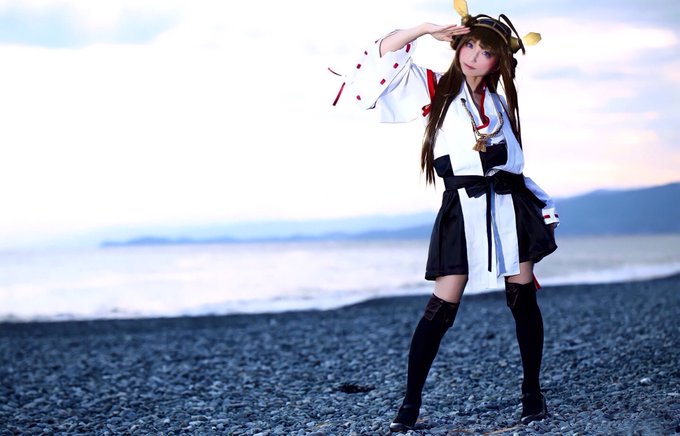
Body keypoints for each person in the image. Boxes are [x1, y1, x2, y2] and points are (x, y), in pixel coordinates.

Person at [331, 0, 560, 432]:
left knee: (523, 298)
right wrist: (423, 28)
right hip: (462, 205)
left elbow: (513, 164)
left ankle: (532, 392)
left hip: (509, 203)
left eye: (485, 51)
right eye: (469, 45)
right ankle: (409, 405)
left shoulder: (498, 103)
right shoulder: (434, 88)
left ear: (498, 62)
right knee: (442, 306)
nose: (473, 56)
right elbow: (381, 56)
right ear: (458, 46)